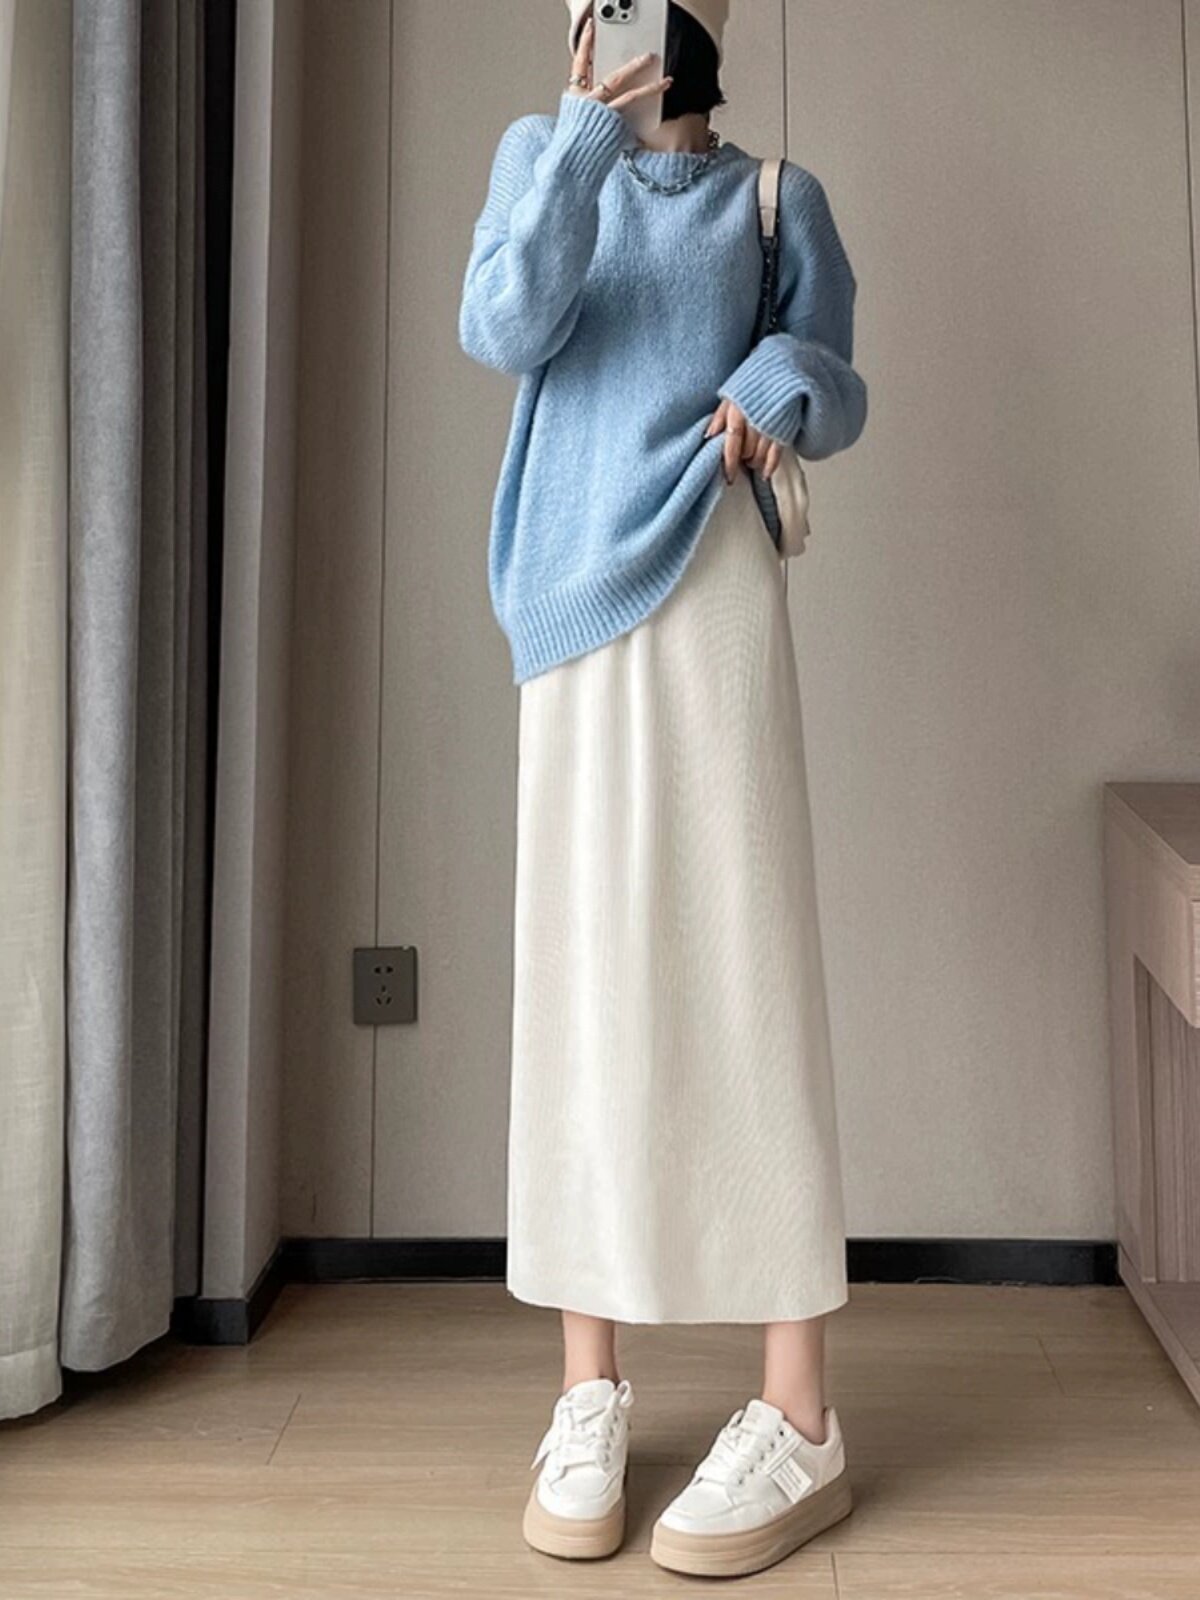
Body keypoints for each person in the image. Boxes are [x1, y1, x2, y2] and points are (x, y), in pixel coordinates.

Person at [457, 0, 867, 1578]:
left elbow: (839, 379)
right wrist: (578, 143)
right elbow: (505, 326)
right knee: (585, 984)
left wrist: (778, 379)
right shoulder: (541, 154)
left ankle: (800, 1415)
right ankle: (589, 1391)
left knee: (748, 974)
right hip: (569, 607)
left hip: (712, 592)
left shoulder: (776, 199)